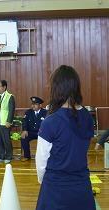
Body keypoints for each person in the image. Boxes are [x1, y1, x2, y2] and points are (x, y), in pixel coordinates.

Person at [35, 65, 95, 210]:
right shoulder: (87, 117)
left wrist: (45, 182)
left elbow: (41, 161)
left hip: (55, 188)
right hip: (82, 187)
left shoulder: (50, 121)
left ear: (56, 88)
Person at [0, 80, 15, 164]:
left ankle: (9, 156)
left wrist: (9, 121)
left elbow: (11, 110)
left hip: (5, 121)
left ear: (4, 87)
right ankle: (0, 156)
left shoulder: (10, 96)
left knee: (6, 139)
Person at [20, 96, 47, 162]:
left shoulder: (45, 112)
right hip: (31, 132)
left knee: (47, 140)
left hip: (41, 133)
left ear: (40, 105)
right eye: (32, 104)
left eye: (35, 104)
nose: (33, 106)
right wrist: (25, 130)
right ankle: (27, 156)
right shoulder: (28, 112)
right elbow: (24, 122)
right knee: (23, 138)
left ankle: (44, 156)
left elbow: (48, 124)